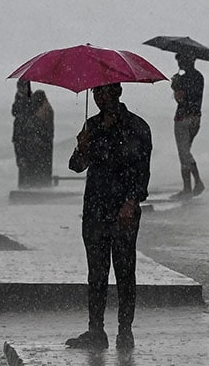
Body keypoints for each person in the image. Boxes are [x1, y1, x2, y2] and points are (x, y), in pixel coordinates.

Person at [65, 83, 152, 351]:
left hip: (123, 210)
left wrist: (130, 202)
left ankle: (125, 331)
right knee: (97, 273)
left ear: (119, 91)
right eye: (96, 93)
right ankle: (96, 330)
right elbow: (76, 166)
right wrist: (82, 147)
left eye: (106, 92)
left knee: (125, 273)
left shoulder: (137, 127)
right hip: (95, 208)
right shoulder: (91, 126)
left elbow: (142, 172)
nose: (101, 97)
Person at [170, 53, 205, 198]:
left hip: (183, 118)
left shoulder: (184, 79)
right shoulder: (199, 77)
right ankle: (191, 186)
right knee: (186, 152)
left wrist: (175, 86)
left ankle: (192, 186)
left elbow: (181, 100)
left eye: (181, 61)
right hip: (195, 119)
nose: (179, 64)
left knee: (183, 153)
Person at [11, 81, 55, 187]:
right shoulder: (25, 104)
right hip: (28, 145)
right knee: (30, 170)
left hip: (30, 146)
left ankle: (30, 189)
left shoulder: (35, 110)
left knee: (28, 170)